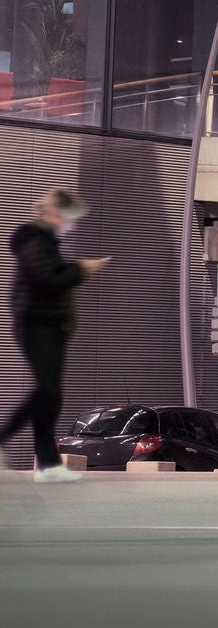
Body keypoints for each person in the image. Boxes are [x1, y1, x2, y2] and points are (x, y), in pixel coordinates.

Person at [2, 190, 107, 482]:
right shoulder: (35, 240)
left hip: (50, 325)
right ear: (55, 214)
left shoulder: (47, 241)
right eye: (70, 218)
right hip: (37, 325)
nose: (72, 225)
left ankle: (48, 466)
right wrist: (81, 269)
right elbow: (47, 280)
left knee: (51, 397)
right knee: (46, 393)